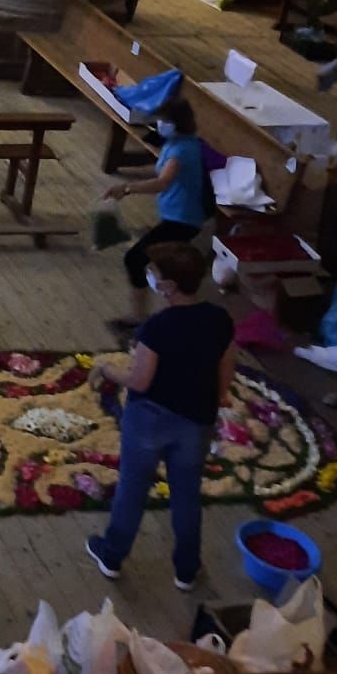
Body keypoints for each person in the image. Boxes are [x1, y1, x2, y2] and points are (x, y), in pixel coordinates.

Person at [86, 240, 237, 589]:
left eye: (155, 275)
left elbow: (140, 381)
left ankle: (112, 555)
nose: (151, 279)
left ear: (168, 286)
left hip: (150, 420)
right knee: (186, 495)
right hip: (196, 421)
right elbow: (227, 362)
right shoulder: (219, 319)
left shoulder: (157, 327)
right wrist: (221, 394)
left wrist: (108, 369)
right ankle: (186, 569)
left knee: (133, 488)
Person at [101, 92, 211, 334]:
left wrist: (127, 188)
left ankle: (141, 318)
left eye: (163, 120)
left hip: (182, 220)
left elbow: (163, 183)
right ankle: (151, 316)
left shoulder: (182, 151)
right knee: (159, 264)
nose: (159, 124)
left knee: (136, 259)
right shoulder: (179, 143)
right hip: (177, 216)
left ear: (176, 123)